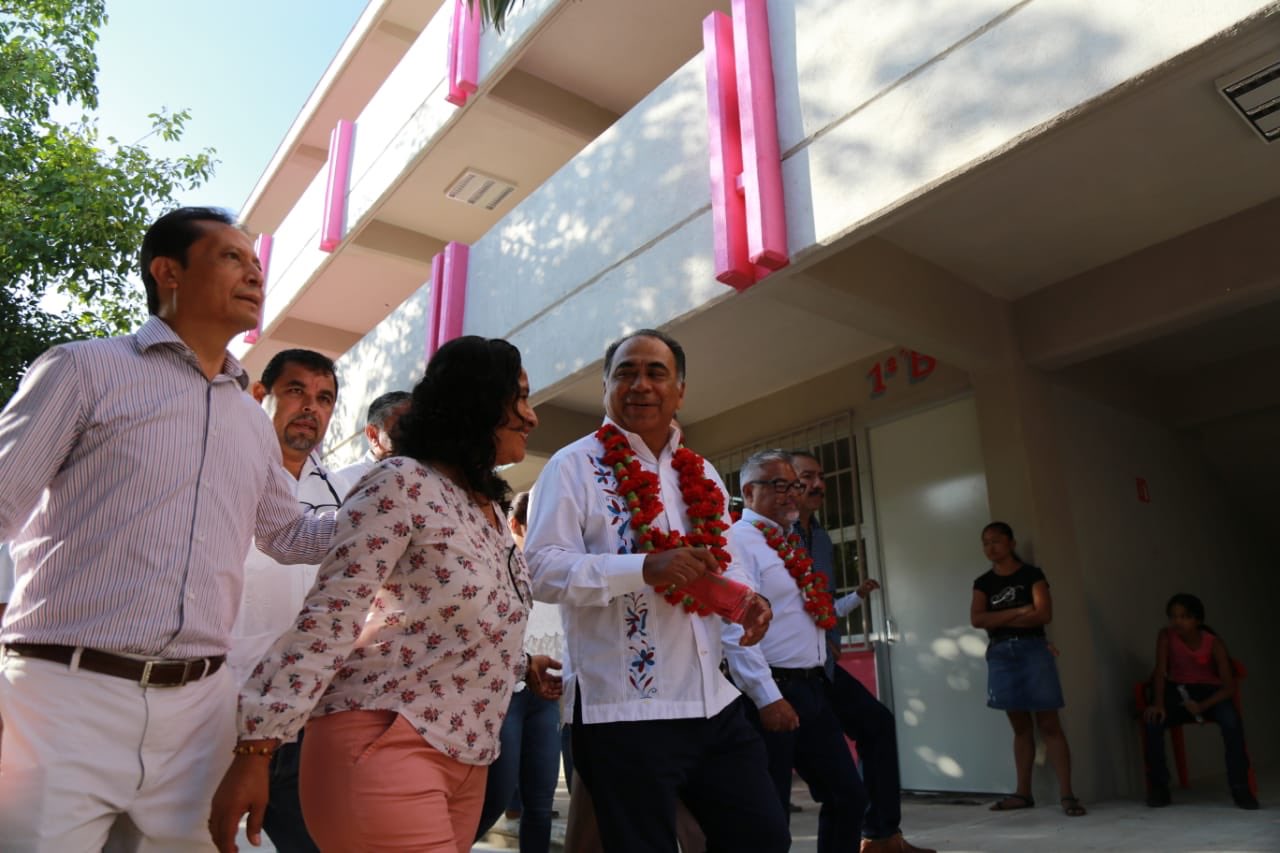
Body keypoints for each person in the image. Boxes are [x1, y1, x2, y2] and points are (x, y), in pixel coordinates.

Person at [0, 206, 336, 851]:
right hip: (62, 695)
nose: (254, 275)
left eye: (257, 264)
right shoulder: (83, 370)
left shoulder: (246, 417)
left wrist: (402, 507)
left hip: (200, 709)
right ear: (168, 272)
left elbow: (289, 536)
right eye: (232, 258)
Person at [210, 335, 554, 853]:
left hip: (466, 761)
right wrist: (257, 747)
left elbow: (445, 619)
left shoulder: (485, 512)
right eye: (519, 398)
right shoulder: (399, 483)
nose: (531, 417)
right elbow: (330, 617)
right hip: (385, 745)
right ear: (477, 402)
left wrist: (519, 662)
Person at [524, 328, 787, 853]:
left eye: (655, 372)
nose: (639, 384)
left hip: (712, 701)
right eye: (625, 372)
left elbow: (716, 566)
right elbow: (542, 570)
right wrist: (643, 568)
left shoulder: (704, 472)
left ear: (680, 391)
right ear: (605, 387)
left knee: (762, 837)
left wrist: (744, 601)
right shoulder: (572, 466)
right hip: (624, 712)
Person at [228, 348, 356, 852]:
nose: (311, 408)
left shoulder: (344, 490)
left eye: (324, 398)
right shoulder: (226, 470)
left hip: (307, 707)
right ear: (262, 396)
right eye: (296, 391)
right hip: (222, 694)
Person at [723, 450, 867, 852]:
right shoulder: (736, 541)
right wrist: (767, 697)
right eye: (779, 485)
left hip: (812, 688)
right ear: (749, 491)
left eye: (795, 485)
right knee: (769, 818)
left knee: (847, 795)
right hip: (770, 691)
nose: (792, 494)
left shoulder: (789, 542)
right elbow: (736, 625)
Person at [791, 450, 934, 853]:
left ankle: (882, 835)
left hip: (824, 666)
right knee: (829, 788)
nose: (818, 484)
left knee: (876, 723)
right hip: (786, 675)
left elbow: (821, 600)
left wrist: (831, 636)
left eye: (820, 477)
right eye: (806, 477)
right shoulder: (771, 536)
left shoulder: (820, 537)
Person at [971, 521, 1085, 817]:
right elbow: (978, 619)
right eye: (985, 543)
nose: (990, 547)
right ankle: (1023, 793)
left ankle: (1067, 795)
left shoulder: (1032, 575)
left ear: (1011, 542)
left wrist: (1001, 618)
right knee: (1020, 728)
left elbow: (1043, 614)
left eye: (996, 540)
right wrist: (1021, 611)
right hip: (1001, 654)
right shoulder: (983, 582)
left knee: (1049, 724)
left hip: (1033, 650)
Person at [473, 491, 566, 853]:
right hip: (506, 693)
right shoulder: (496, 564)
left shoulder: (558, 566)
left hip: (546, 697)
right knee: (495, 797)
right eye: (538, 524)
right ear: (515, 525)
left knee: (541, 806)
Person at [1142, 593, 1257, 810]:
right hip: (1178, 691)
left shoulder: (1213, 643)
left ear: (1197, 620)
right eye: (1174, 617)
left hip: (1210, 694)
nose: (1178, 622)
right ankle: (1159, 787)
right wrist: (1158, 703)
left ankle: (1241, 787)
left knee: (1231, 722)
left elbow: (1229, 686)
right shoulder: (1166, 636)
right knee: (1153, 721)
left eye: (1184, 617)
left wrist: (1203, 706)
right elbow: (1160, 672)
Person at [336, 389, 411, 483]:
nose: (414, 436)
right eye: (404, 426)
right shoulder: (343, 481)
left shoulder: (427, 472)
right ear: (373, 435)